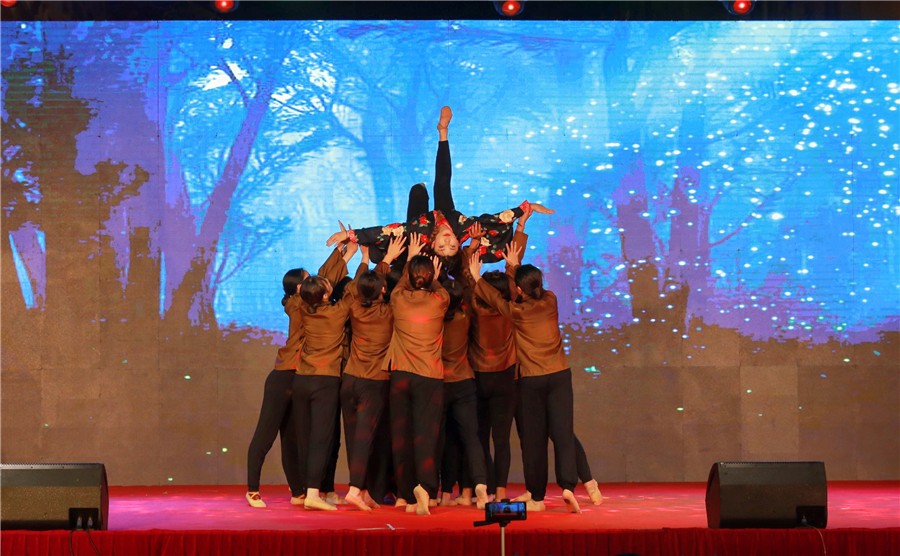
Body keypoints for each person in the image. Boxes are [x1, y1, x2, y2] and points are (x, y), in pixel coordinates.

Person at [325, 106, 553, 272]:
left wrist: (349, 235)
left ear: (432, 244)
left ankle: (419, 191)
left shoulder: (419, 233)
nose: (447, 241)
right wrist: (526, 209)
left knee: (417, 193)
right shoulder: (462, 227)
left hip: (420, 225)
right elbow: (497, 220)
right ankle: (443, 132)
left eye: (442, 246)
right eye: (452, 245)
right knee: (442, 183)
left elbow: (385, 231)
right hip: (446, 214)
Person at [468, 243, 581, 514]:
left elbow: (497, 300)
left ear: (518, 289)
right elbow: (527, 288)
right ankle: (567, 486)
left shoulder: (517, 312)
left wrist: (476, 277)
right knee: (563, 434)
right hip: (559, 376)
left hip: (532, 380)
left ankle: (537, 497)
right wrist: (515, 266)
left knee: (534, 440)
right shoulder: (550, 300)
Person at [245, 247, 347, 508]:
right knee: (266, 433)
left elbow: (325, 283)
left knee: (293, 437)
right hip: (284, 375)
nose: (312, 281)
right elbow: (325, 282)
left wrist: (345, 254)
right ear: (299, 287)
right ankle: (252, 489)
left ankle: (299, 491)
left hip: (303, 376)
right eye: (307, 278)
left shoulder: (309, 304)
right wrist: (341, 253)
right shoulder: (296, 304)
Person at [386, 233, 448, 516]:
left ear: (410, 277)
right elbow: (436, 285)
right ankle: (425, 488)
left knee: (401, 435)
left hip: (401, 376)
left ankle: (404, 494)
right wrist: (433, 274)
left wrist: (410, 259)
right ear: (432, 276)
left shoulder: (398, 298)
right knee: (426, 436)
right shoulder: (440, 299)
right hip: (430, 377)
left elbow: (401, 283)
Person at [340, 239, 405, 511]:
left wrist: (367, 260)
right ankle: (355, 489)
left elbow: (354, 287)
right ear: (382, 290)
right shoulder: (389, 312)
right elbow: (402, 291)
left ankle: (363, 489)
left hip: (350, 380)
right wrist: (393, 259)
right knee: (365, 438)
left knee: (354, 437)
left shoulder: (354, 307)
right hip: (374, 383)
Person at [292, 245, 355, 511]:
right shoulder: (337, 312)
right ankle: (313, 494)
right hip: (325, 380)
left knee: (305, 437)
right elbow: (353, 290)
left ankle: (307, 491)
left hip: (301, 379)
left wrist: (345, 255)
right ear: (327, 294)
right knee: (321, 438)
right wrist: (363, 260)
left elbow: (319, 283)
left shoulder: (301, 307)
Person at [436, 275, 490, 509]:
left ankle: (444, 492)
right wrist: (473, 277)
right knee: (471, 438)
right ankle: (481, 484)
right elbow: (475, 299)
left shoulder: (434, 320)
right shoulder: (465, 318)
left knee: (443, 440)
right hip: (464, 382)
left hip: (441, 382)